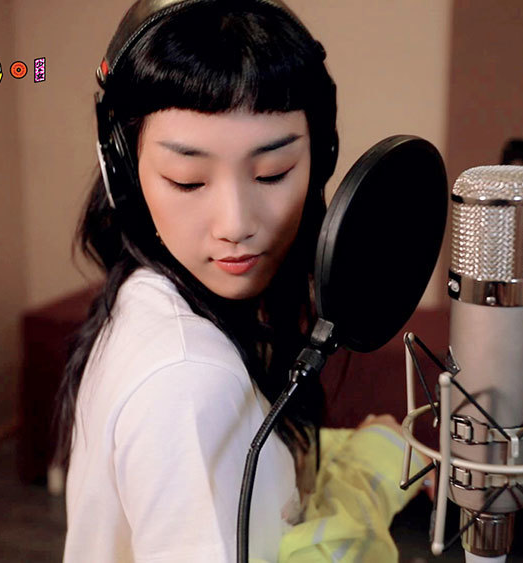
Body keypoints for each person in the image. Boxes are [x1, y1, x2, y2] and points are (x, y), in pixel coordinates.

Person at [54, 1, 430, 561]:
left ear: (322, 157)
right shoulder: (190, 383)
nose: (235, 224)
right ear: (123, 172)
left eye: (273, 173)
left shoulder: (147, 293)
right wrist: (370, 485)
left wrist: (356, 454)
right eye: (188, 180)